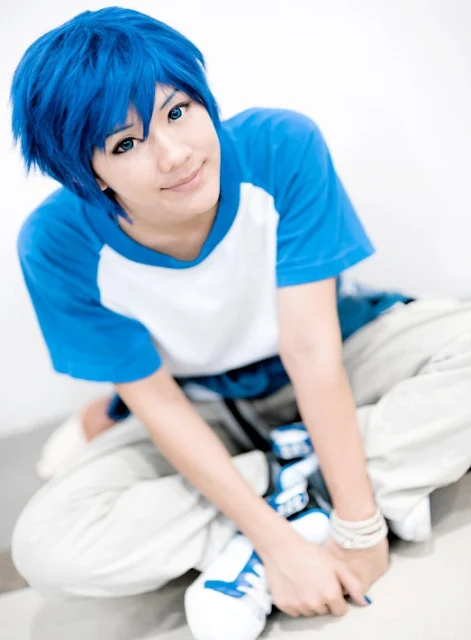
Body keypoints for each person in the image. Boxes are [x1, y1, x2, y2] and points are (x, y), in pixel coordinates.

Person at [9, 6, 471, 637]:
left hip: (338, 358)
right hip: (202, 408)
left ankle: (299, 499)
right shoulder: (56, 244)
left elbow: (312, 350)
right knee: (47, 548)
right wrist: (280, 546)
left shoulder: (281, 147)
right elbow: (157, 402)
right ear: (86, 174)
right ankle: (306, 494)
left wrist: (359, 527)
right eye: (125, 144)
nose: (174, 155)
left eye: (178, 111)